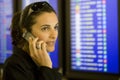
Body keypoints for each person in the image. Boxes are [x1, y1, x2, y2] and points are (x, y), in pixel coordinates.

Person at [2, 1, 62, 80]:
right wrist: (47, 69)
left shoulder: (40, 62)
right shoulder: (14, 67)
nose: (54, 35)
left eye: (55, 27)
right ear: (26, 33)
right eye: (45, 28)